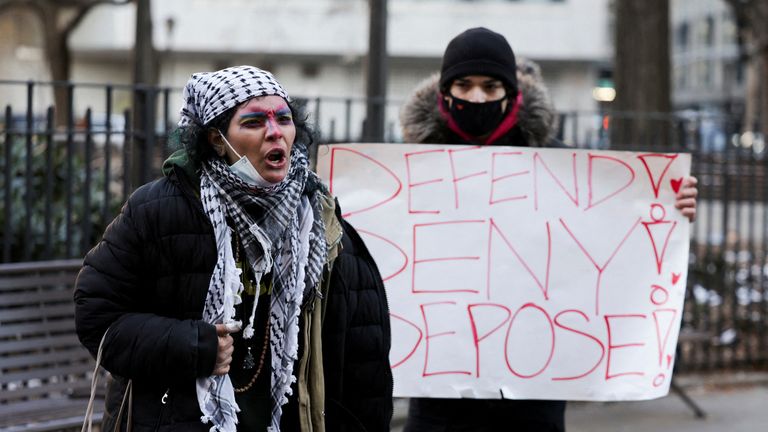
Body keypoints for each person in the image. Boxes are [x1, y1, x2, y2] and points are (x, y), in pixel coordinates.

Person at [399, 27, 698, 432]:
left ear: (512, 92)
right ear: (444, 92)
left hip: (532, 393)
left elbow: (614, 241)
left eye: (490, 86)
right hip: (440, 395)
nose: (477, 98)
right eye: (464, 85)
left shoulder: (557, 168)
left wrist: (669, 206)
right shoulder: (409, 169)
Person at [74, 65, 393, 432]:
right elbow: (98, 316)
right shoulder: (158, 210)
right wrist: (192, 346)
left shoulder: (320, 221)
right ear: (215, 139)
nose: (275, 132)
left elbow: (361, 356)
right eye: (254, 122)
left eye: (284, 119)